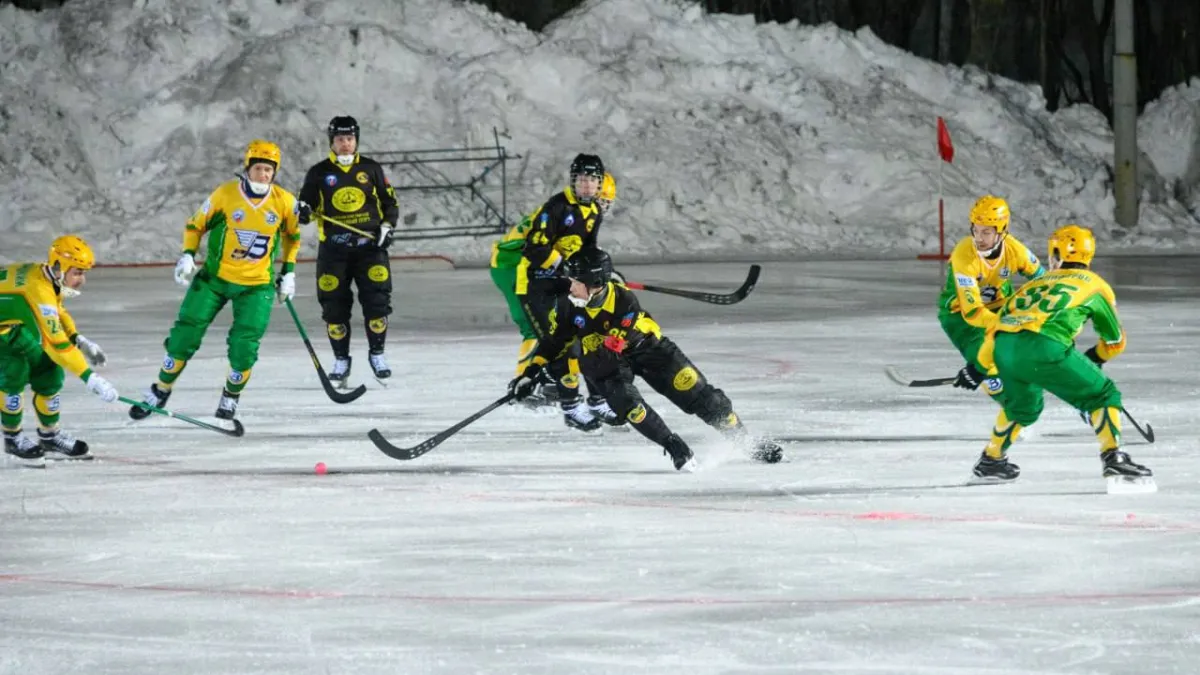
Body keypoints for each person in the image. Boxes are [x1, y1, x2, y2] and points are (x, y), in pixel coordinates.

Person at [507, 248, 784, 471]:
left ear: (596, 284)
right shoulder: (569, 304)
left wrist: (556, 370)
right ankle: (674, 446)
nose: (571, 287)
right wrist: (531, 372)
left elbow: (608, 350)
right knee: (628, 404)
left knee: (704, 399)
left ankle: (747, 442)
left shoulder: (624, 301)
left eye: (576, 282)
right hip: (609, 361)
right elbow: (554, 343)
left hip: (648, 349)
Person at [129, 139, 301, 423]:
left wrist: (290, 272)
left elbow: (292, 236)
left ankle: (230, 396)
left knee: (245, 345)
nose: (264, 175)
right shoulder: (225, 194)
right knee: (186, 333)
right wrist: (187, 255)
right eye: (259, 168)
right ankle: (160, 389)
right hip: (214, 279)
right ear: (248, 168)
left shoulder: (285, 201)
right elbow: (195, 224)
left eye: (270, 170)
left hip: (256, 286)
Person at [971, 224, 1152, 488]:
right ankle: (1114, 457)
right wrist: (1095, 357)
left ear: (1058, 253)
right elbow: (1115, 341)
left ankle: (991, 459)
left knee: (1023, 408)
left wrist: (979, 367)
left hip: (1004, 347)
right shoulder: (1096, 285)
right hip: (1045, 346)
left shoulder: (1033, 285)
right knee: (1103, 395)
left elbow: (995, 329)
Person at [489, 172, 617, 401]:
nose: (604, 208)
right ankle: (524, 384)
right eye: (603, 202)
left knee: (558, 323)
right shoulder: (569, 212)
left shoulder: (583, 214)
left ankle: (548, 380)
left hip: (532, 266)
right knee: (536, 328)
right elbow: (543, 251)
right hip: (512, 264)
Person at [298, 116, 400, 385]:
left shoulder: (371, 168)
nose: (346, 144)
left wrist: (387, 227)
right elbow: (304, 210)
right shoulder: (318, 173)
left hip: (370, 248)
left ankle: (377, 353)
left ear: (356, 140)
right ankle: (341, 359)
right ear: (332, 141)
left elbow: (390, 202)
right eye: (341, 139)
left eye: (350, 138)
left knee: (377, 303)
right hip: (334, 251)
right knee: (334, 307)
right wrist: (303, 211)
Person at [1, 235, 117, 465]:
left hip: (12, 325)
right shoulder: (38, 290)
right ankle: (12, 438)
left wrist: (79, 339)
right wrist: (90, 378)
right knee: (14, 370)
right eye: (78, 272)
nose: (81, 280)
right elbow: (59, 346)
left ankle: (49, 436)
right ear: (60, 267)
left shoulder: (47, 275)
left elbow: (58, 310)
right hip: (5, 331)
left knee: (49, 371)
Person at [515, 155, 612, 430]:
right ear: (574, 180)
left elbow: (588, 252)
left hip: (566, 286)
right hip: (538, 286)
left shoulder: (594, 212)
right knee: (561, 343)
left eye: (592, 180)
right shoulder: (557, 207)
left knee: (588, 337)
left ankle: (597, 399)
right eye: (582, 179)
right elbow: (534, 247)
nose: (587, 185)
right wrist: (561, 264)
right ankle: (570, 407)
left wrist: (603, 272)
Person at [937, 195, 1044, 404]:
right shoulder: (964, 254)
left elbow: (1045, 282)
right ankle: (1014, 411)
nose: (979, 238)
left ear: (1002, 230)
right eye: (975, 230)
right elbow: (973, 312)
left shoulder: (1015, 250)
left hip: (1000, 307)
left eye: (986, 232)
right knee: (988, 364)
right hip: (960, 316)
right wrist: (1006, 325)